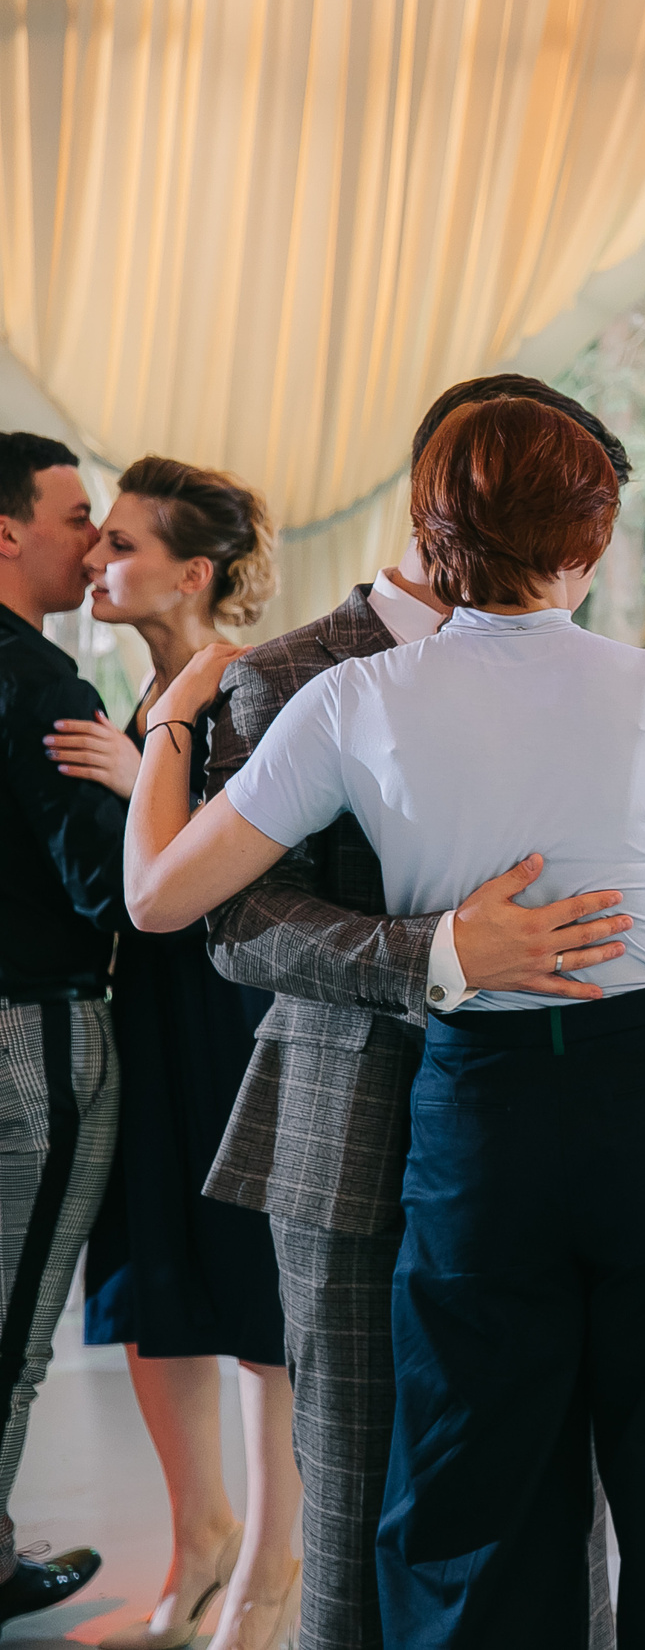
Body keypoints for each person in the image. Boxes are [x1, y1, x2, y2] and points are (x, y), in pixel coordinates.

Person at [126, 396, 645, 1647]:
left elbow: (157, 899)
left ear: (431, 528)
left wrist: (167, 725)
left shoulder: (352, 701)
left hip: (480, 1109)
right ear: (590, 541)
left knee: (474, 1482)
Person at [44, 459, 301, 1650]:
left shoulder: (263, 692)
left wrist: (146, 773)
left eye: (125, 546)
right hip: (139, 1008)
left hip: (237, 1012)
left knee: (253, 1285)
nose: (99, 563)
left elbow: (254, 874)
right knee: (151, 1272)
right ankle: (199, 1531)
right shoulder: (113, 700)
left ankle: (272, 1563)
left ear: (193, 573)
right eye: (96, 545)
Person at [0, 433, 115, 1625]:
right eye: (77, 515)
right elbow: (113, 896)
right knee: (15, 1330)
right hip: (31, 1036)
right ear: (6, 530)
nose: (92, 544)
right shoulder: (44, 689)